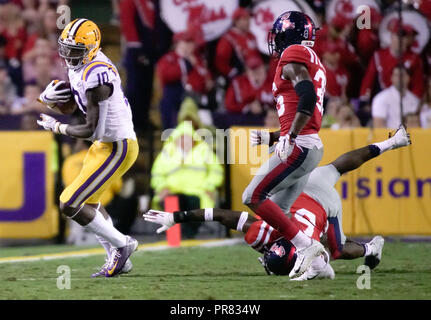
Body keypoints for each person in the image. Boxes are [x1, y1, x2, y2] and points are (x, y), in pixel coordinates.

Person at [143, 125, 412, 279]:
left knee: (337, 248)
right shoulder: (261, 235)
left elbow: (221, 214)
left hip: (314, 198)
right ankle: (393, 143)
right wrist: (176, 218)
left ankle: (370, 248)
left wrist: (175, 217)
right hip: (312, 193)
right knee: (337, 170)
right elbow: (220, 214)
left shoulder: (268, 237)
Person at [36, 19, 139, 278]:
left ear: (91, 48)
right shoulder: (80, 66)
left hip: (117, 146)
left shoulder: (98, 74)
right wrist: (52, 102)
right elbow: (74, 107)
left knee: (69, 203)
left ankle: (122, 244)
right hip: (105, 145)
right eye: (66, 48)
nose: (68, 55)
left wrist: (57, 128)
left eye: (75, 49)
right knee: (89, 204)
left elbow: (92, 129)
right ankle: (119, 258)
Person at [241, 11, 327, 279]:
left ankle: (306, 246)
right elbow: (304, 108)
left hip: (299, 146)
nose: (276, 42)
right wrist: (276, 136)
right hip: (308, 145)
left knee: (252, 197)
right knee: (280, 211)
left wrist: (289, 136)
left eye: (279, 35)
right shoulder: (313, 59)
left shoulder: (293, 56)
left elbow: (307, 97)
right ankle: (320, 267)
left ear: (289, 35)